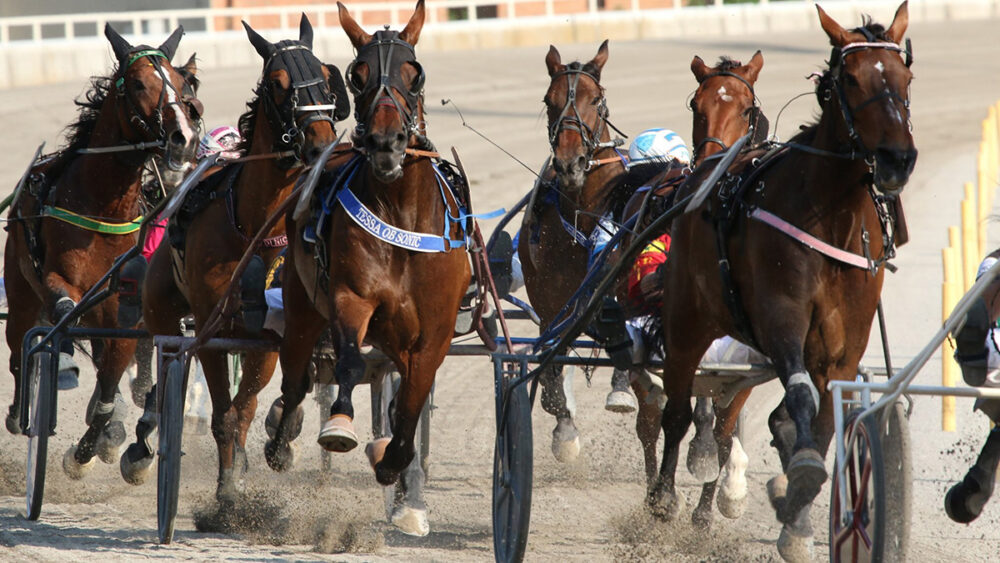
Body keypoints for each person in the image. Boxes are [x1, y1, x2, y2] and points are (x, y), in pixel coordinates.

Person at [946, 249, 1000, 523]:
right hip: (986, 367)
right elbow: (982, 298)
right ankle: (978, 483)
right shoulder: (993, 266)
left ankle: (978, 483)